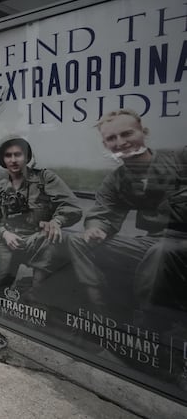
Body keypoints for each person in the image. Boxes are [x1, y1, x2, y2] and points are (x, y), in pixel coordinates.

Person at [66, 109, 187, 325]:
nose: (120, 142)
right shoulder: (116, 180)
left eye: (127, 134)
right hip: (154, 242)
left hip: (180, 243)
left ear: (143, 132)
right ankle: (108, 319)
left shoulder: (179, 159)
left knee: (160, 253)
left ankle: (151, 328)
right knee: (77, 240)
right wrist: (96, 228)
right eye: (111, 138)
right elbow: (103, 212)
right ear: (106, 145)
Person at [0, 136, 82, 300]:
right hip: (11, 240)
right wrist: (5, 234)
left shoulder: (45, 178)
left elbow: (72, 207)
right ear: (2, 159)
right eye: (8, 155)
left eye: (18, 154)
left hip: (40, 240)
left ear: (27, 156)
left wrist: (56, 221)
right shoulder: (1, 186)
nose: (14, 160)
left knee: (41, 293)